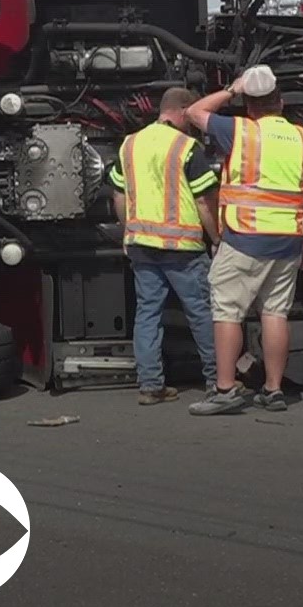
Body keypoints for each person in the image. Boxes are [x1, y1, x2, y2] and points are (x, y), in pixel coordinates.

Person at [182, 64, 303, 415]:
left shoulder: (240, 131)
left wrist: (231, 89)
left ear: (249, 106)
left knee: (228, 311)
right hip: (288, 240)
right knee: (275, 313)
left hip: (245, 237)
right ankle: (274, 390)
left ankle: (226, 389)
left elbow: (193, 112)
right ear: (281, 101)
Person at [109, 87, 221, 405]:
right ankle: (218, 381)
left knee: (147, 313)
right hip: (182, 247)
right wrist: (216, 237)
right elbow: (202, 201)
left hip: (141, 244)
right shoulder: (187, 147)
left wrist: (127, 232)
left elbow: (118, 196)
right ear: (184, 111)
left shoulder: (130, 143)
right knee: (201, 312)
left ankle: (150, 385)